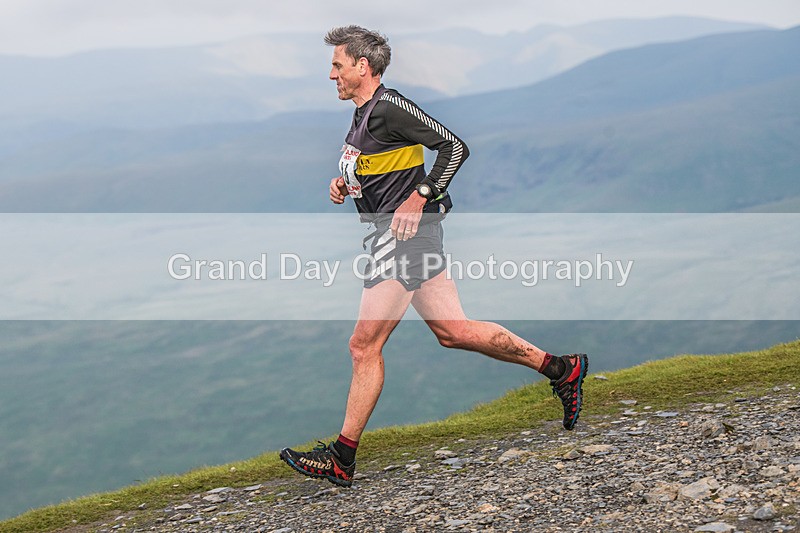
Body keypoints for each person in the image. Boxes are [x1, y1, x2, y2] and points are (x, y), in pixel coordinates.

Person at [280, 25, 588, 487]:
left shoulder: (390, 107)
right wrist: (346, 182)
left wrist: (420, 195)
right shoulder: (363, 114)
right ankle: (562, 369)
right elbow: (382, 165)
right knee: (453, 331)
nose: (331, 75)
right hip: (398, 236)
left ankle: (342, 457)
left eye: (337, 65)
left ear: (363, 66)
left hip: (404, 239)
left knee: (363, 346)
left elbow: (454, 147)